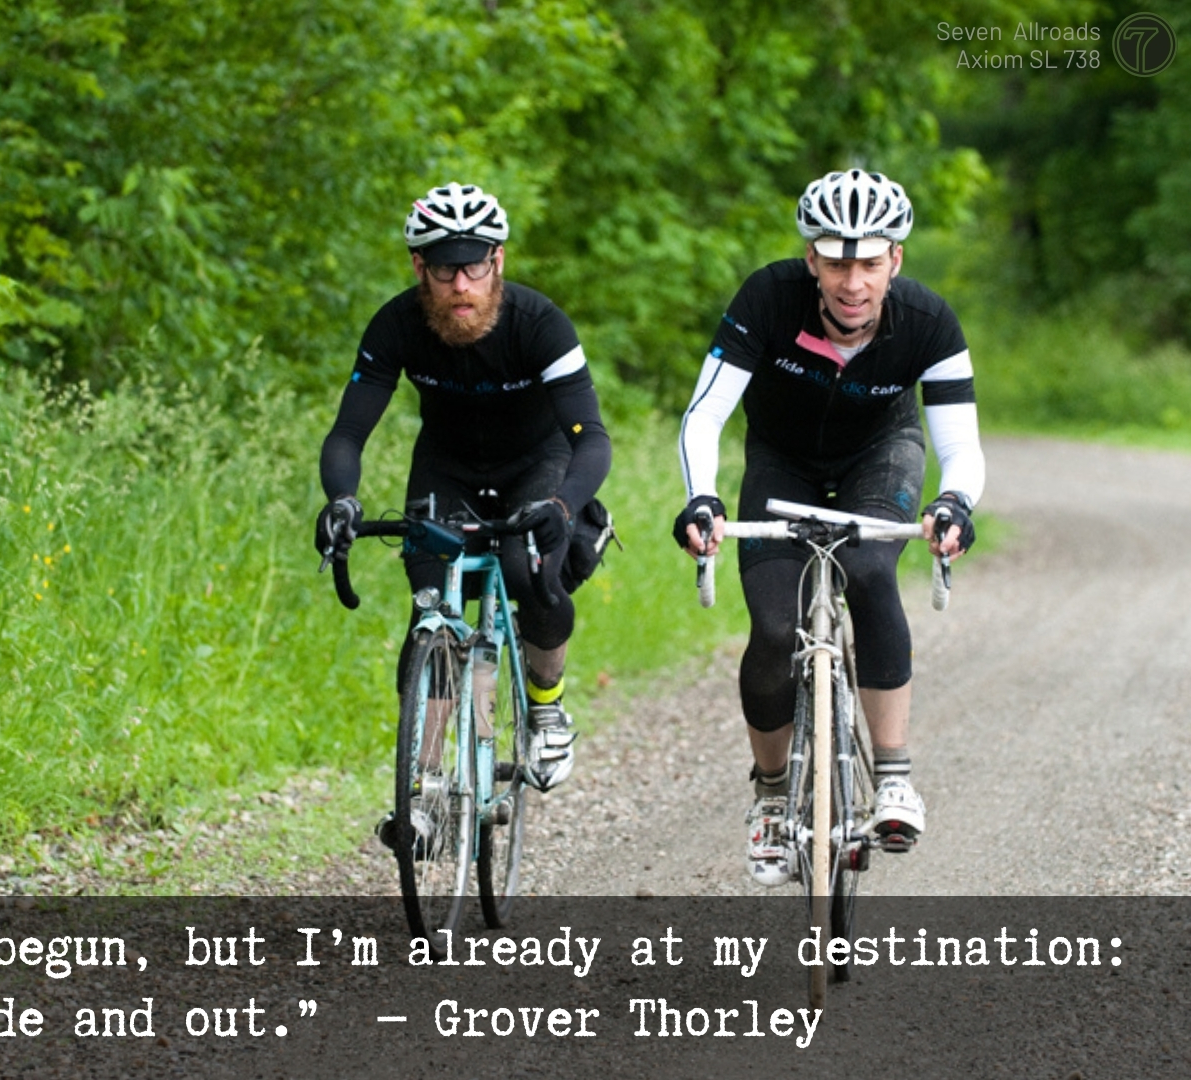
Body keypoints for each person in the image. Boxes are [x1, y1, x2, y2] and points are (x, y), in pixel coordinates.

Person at [674, 169, 983, 887]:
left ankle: (895, 777)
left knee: (871, 569)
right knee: (776, 627)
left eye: (870, 262)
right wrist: (702, 500)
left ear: (895, 261)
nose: (853, 281)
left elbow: (960, 443)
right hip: (782, 463)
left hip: (882, 455)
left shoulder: (929, 321)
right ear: (811, 258)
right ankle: (774, 799)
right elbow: (706, 413)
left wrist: (956, 502)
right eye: (837, 261)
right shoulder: (767, 299)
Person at [317, 182, 613, 826]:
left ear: (497, 260)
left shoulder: (540, 323)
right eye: (444, 268)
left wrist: (564, 506)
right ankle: (421, 790)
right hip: (447, 466)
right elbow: (347, 432)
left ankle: (546, 706)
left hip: (538, 463)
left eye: (474, 264)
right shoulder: (396, 324)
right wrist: (341, 499)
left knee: (523, 567)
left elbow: (590, 437)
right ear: (419, 268)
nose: (460, 284)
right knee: (433, 608)